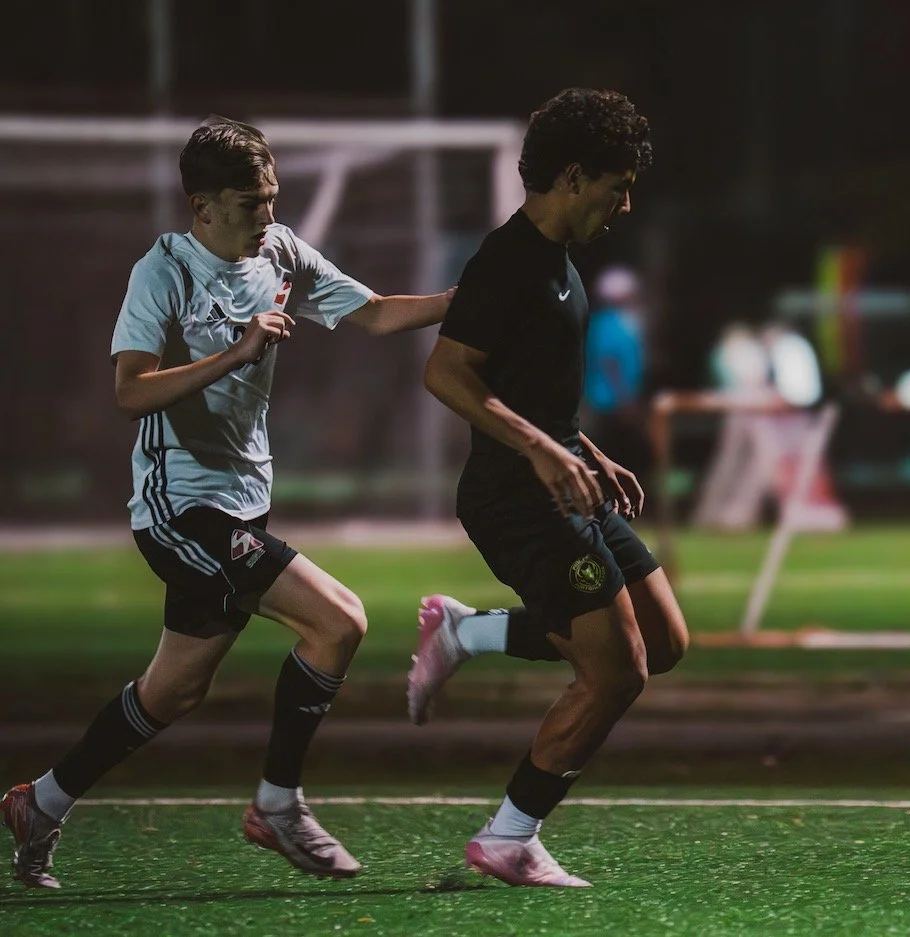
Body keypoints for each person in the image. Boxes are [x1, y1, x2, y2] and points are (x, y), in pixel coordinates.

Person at [1, 116, 457, 889]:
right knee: (339, 619)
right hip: (179, 508)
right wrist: (236, 351)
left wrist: (473, 298)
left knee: (174, 688)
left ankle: (39, 802)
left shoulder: (278, 252)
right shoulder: (164, 270)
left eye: (273, 198)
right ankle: (277, 804)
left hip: (242, 504)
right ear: (202, 206)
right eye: (252, 203)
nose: (268, 217)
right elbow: (129, 390)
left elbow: (376, 312)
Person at [410, 88, 689, 888]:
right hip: (515, 496)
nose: (625, 201)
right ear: (572, 176)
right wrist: (541, 447)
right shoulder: (504, 262)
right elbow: (446, 372)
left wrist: (585, 450)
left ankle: (466, 635)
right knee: (616, 671)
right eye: (618, 182)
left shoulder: (563, 265)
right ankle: (508, 835)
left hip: (565, 479)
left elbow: (531, 391)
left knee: (665, 640)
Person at [582, 264, 651, 486]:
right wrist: (625, 400)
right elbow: (610, 363)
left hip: (610, 400)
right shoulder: (611, 324)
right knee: (616, 454)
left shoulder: (606, 323)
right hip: (610, 402)